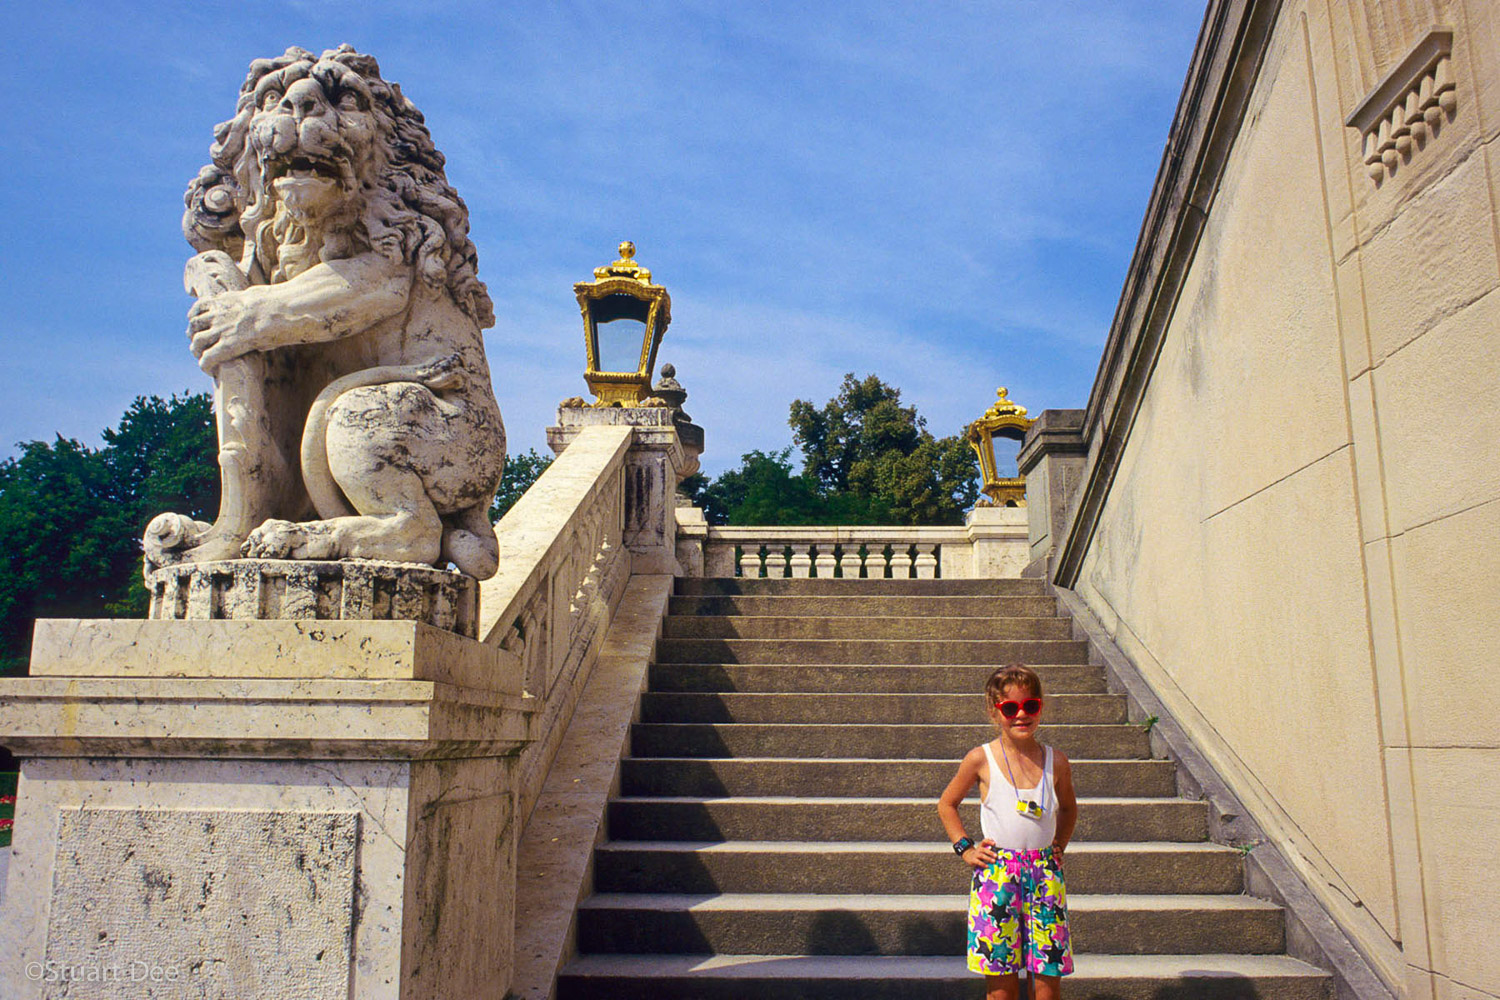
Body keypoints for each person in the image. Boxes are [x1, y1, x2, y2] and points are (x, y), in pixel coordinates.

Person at [938, 663, 1078, 1000]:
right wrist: (965, 848)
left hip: (1045, 874)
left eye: (1030, 706)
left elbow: (1069, 808)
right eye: (1010, 708)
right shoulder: (980, 759)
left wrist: (1059, 844)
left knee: (1048, 978)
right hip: (998, 876)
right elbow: (947, 804)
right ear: (993, 710)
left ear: (1040, 707)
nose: (1021, 715)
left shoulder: (1055, 761)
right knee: (1001, 985)